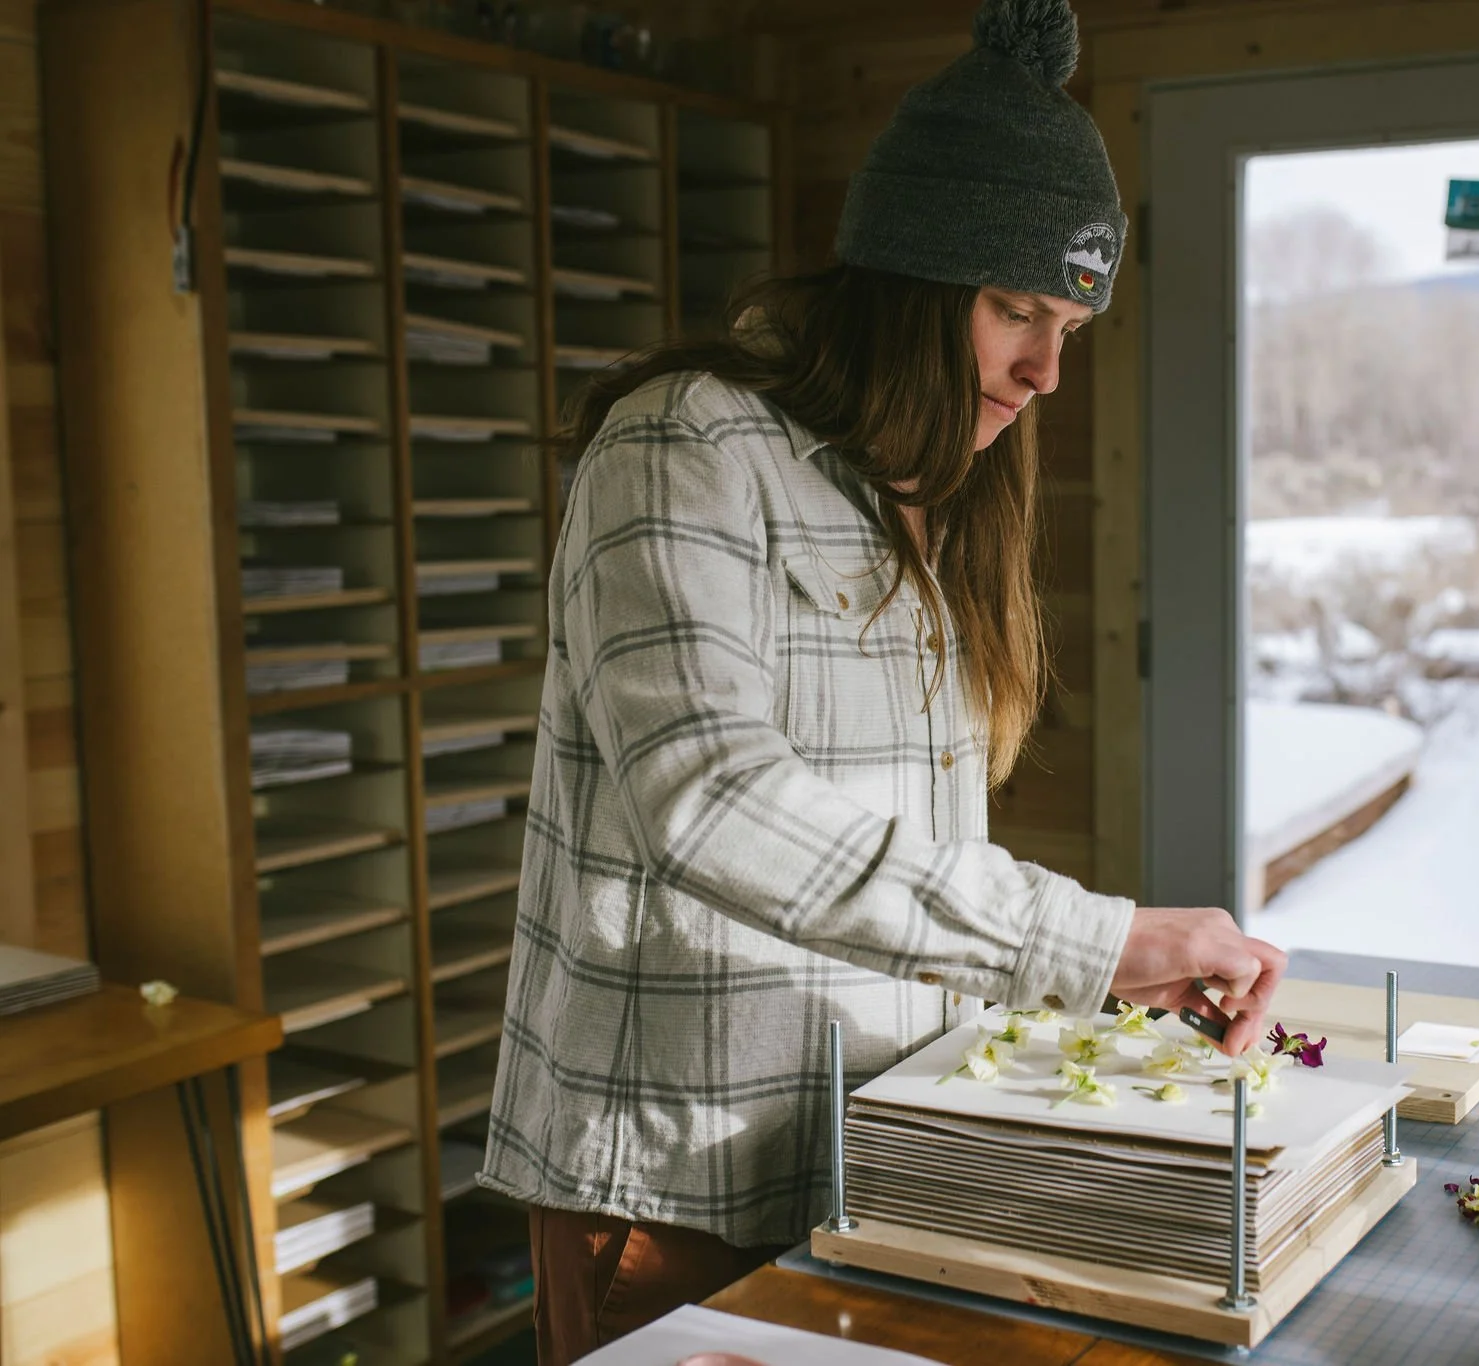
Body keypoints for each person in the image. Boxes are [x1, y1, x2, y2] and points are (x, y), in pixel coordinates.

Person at [479, 1, 1288, 1359]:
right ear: (907, 283)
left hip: (873, 1162)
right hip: (679, 1181)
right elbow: (714, 798)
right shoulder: (684, 447)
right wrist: (1095, 941)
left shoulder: (934, 497)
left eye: (1070, 327)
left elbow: (903, 860)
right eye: (1013, 311)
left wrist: (1081, 1007)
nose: (1042, 370)